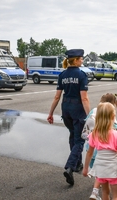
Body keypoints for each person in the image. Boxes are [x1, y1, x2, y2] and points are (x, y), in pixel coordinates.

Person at [47, 49, 90, 186]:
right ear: (76, 60)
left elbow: (57, 96)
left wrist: (50, 113)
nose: (82, 60)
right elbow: (84, 99)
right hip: (78, 111)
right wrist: (90, 116)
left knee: (73, 135)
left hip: (66, 110)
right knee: (80, 140)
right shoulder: (81, 75)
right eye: (81, 58)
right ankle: (70, 167)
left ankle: (77, 164)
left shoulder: (63, 75)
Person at [81, 93, 117, 200]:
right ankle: (97, 191)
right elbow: (114, 131)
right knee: (104, 175)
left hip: (91, 146)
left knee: (99, 172)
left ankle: (96, 191)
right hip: (103, 150)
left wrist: (85, 168)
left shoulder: (93, 110)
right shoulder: (110, 113)